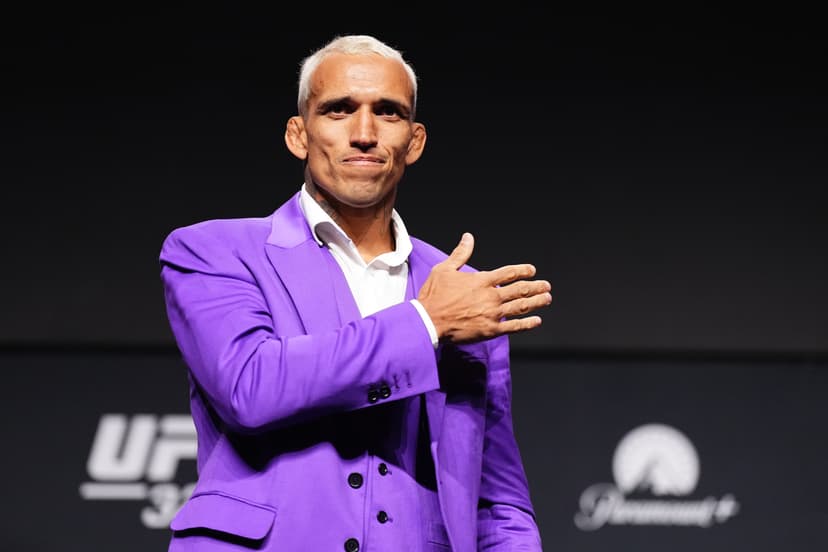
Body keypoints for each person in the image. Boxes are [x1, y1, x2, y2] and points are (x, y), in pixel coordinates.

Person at [159, 33, 551, 552]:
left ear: (414, 141)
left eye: (388, 113)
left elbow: (497, 500)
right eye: (339, 110)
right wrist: (425, 325)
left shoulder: (463, 292)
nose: (364, 134)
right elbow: (250, 387)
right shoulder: (213, 251)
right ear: (299, 134)